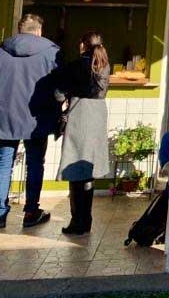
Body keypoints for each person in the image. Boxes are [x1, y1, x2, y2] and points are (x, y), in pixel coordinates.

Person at [0, 13, 61, 229]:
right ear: (39, 31)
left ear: (20, 29)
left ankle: (0, 213)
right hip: (37, 117)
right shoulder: (51, 52)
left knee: (4, 163)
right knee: (35, 164)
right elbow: (59, 87)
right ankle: (31, 212)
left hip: (5, 117)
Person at [54, 31, 110, 235]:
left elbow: (59, 93)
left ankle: (78, 221)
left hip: (80, 115)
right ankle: (86, 219)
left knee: (74, 168)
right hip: (98, 115)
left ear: (82, 45)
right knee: (88, 168)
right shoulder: (104, 65)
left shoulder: (77, 65)